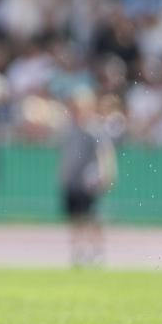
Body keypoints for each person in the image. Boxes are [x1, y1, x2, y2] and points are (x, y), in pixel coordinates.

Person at [59, 89, 117, 267]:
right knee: (76, 219)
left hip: (88, 182)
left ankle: (97, 252)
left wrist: (105, 173)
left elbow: (104, 153)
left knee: (92, 218)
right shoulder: (69, 130)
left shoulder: (93, 130)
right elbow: (65, 156)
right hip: (73, 181)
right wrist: (62, 174)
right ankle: (78, 252)